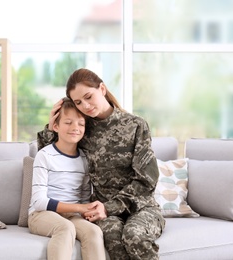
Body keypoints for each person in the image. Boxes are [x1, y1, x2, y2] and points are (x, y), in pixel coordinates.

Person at [37, 68, 166, 260]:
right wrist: (50, 126)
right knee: (111, 237)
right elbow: (52, 156)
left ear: (102, 89)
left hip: (140, 207)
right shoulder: (82, 129)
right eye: (79, 102)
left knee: (134, 236)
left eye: (89, 96)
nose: (86, 106)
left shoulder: (136, 125)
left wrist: (109, 207)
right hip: (103, 213)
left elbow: (146, 180)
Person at [28, 97, 105, 260]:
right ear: (55, 126)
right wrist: (79, 208)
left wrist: (87, 210)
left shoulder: (84, 159)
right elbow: (39, 202)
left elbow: (83, 197)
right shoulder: (44, 155)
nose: (75, 128)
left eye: (80, 124)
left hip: (72, 215)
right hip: (41, 214)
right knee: (65, 228)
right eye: (68, 122)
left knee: (94, 231)